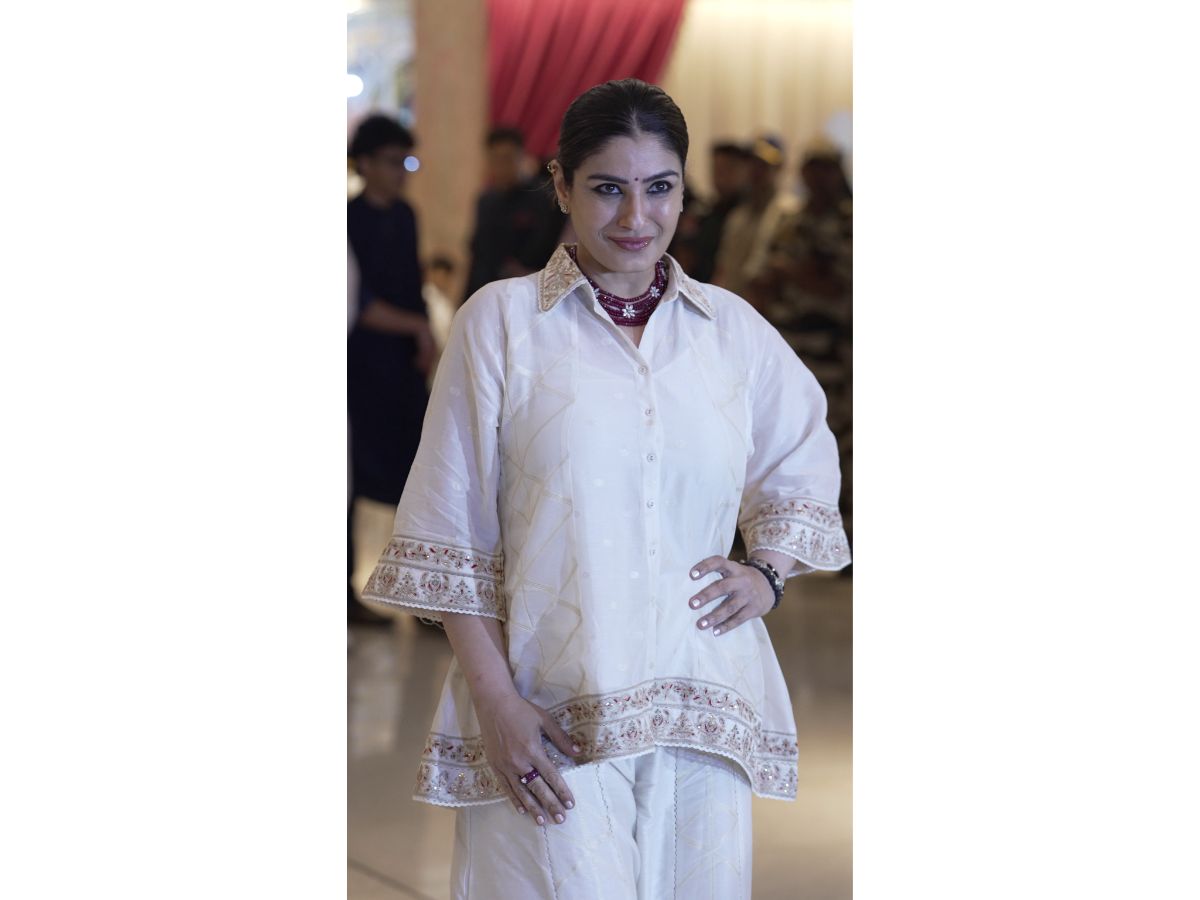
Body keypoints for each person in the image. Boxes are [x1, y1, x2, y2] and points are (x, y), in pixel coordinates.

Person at [362, 79, 850, 899]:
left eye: (659, 188)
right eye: (607, 188)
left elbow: (804, 457)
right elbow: (452, 531)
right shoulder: (503, 324)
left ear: (684, 191)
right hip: (549, 712)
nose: (636, 217)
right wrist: (497, 705)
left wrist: (767, 573)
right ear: (561, 186)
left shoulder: (731, 331)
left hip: (703, 704)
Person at [347, 114, 434, 623]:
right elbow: (357, 303)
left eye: (407, 161)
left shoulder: (405, 215)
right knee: (353, 478)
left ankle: (426, 598)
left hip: (403, 366)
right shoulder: (349, 220)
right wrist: (417, 327)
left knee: (419, 476)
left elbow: (411, 286)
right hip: (360, 365)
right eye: (391, 161)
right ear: (363, 163)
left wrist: (424, 335)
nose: (400, 172)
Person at [755, 138, 854, 553]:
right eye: (811, 166)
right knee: (792, 439)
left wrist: (797, 274)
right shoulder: (792, 221)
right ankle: (797, 534)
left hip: (835, 350)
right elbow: (767, 273)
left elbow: (841, 284)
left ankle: (848, 533)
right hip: (794, 345)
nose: (817, 176)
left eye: (825, 167)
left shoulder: (850, 220)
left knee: (843, 445)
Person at [462, 127, 566, 301]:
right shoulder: (485, 201)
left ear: (521, 156)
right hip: (489, 293)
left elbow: (555, 251)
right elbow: (478, 257)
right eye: (495, 159)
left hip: (531, 292)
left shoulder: (545, 198)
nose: (501, 167)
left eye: (507, 158)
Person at [712, 134, 799, 302]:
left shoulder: (789, 213)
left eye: (763, 165)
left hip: (771, 309)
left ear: (779, 168)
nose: (755, 171)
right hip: (735, 306)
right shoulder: (738, 216)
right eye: (751, 164)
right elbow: (724, 269)